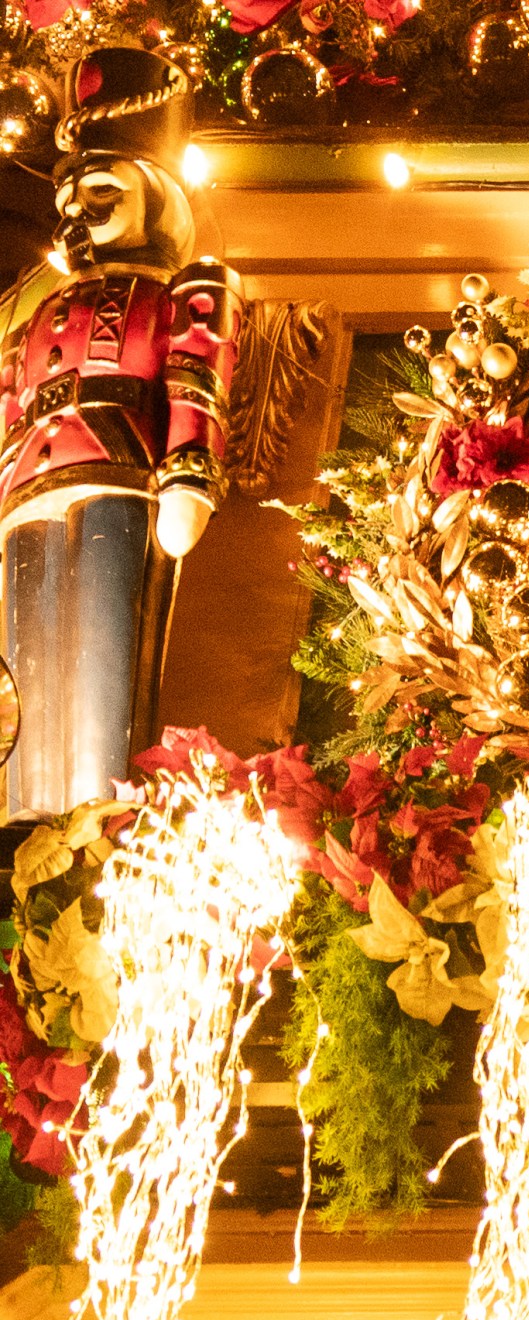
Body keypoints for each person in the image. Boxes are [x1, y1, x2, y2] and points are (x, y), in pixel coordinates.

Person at [0, 131, 235, 819]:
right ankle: (25, 824)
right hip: (24, 490)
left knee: (104, 655)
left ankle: (100, 824)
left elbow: (197, 377)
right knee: (24, 666)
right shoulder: (31, 311)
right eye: (70, 199)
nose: (80, 213)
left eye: (103, 192)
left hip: (119, 468)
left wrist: (189, 473)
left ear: (156, 199)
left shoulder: (185, 290)